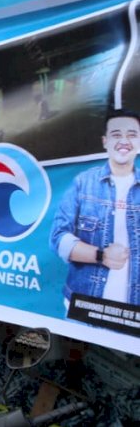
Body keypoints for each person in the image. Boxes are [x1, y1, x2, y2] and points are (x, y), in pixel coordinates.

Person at [50, 109, 140, 307]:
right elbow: (58, 238)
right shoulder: (83, 183)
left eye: (132, 135)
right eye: (116, 135)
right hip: (84, 305)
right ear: (105, 141)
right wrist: (101, 255)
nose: (124, 141)